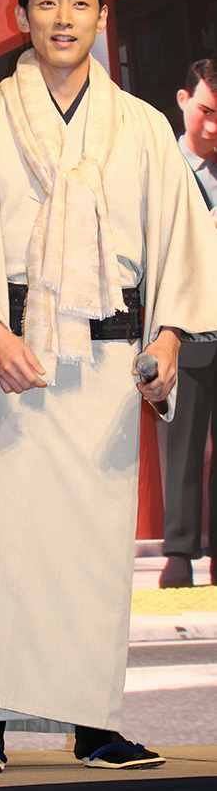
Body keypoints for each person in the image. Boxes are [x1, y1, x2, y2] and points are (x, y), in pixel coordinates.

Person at [0, 0, 217, 773]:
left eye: (79, 3)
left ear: (100, 15)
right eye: (46, 3)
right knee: (3, 545)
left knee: (91, 556)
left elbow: (181, 240)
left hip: (108, 363)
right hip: (15, 355)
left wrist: (166, 336)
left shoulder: (140, 126)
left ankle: (93, 725)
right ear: (20, 17)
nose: (63, 18)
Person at [159, 59, 217, 589]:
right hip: (180, 331)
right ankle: (178, 552)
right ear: (183, 100)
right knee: (181, 444)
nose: (213, 126)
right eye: (206, 111)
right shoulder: (161, 167)